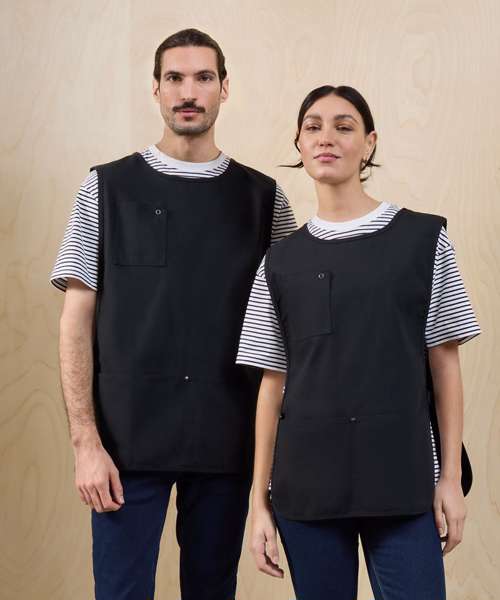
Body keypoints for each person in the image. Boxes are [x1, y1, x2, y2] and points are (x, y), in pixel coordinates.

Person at [50, 28, 296, 600]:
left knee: (213, 590)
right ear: (156, 89)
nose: (188, 92)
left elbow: (288, 329)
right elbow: (75, 321)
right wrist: (86, 442)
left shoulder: (265, 199)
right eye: (175, 78)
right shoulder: (106, 188)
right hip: (123, 442)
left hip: (227, 438)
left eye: (203, 78)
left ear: (224, 88)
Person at [236, 85, 481, 600]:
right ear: (299, 144)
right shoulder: (279, 262)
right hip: (307, 487)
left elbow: (445, 364)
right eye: (313, 127)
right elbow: (272, 386)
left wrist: (449, 479)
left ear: (369, 143)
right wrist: (259, 503)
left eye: (343, 127)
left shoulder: (424, 240)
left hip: (403, 479)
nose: (326, 138)